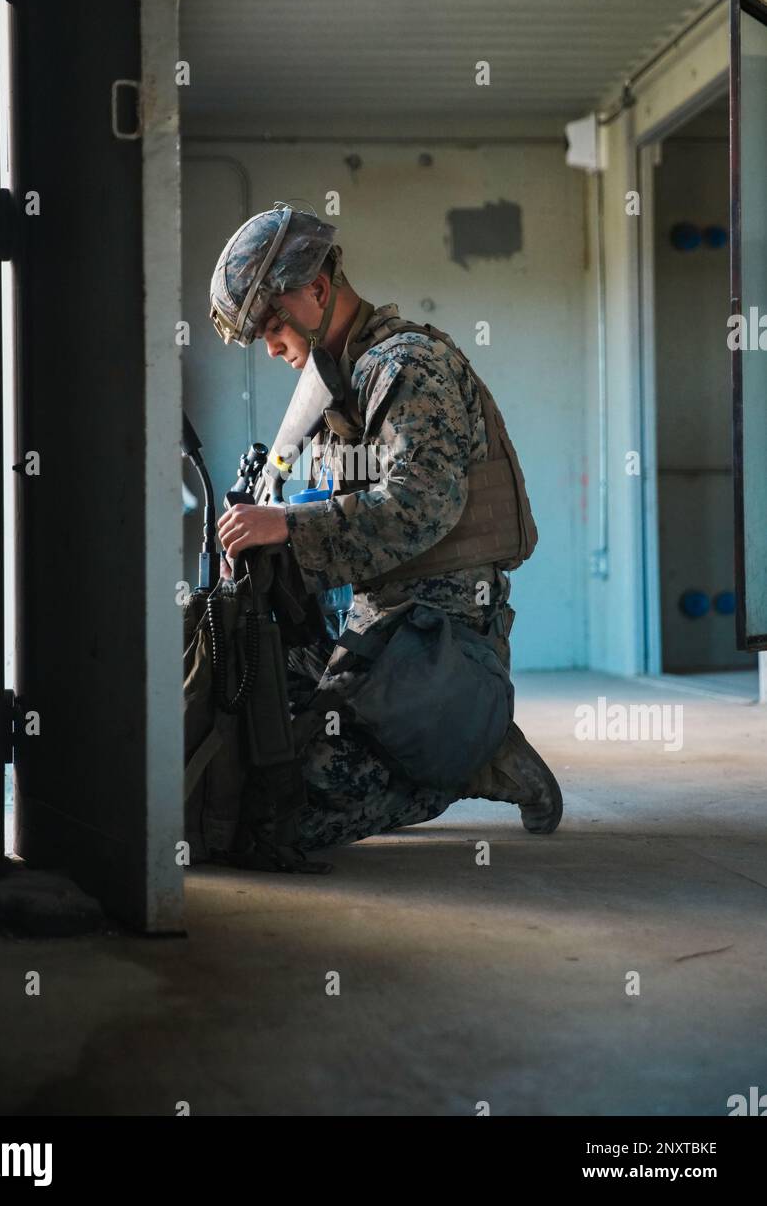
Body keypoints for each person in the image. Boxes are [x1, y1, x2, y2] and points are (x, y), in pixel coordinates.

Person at [209, 202, 562, 851]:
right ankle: (452, 738)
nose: (272, 348)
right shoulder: (340, 381)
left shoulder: (403, 367)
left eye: (273, 327)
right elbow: (339, 509)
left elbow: (421, 505)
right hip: (374, 617)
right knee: (239, 694)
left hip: (434, 630)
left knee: (263, 822)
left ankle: (467, 752)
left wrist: (285, 526)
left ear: (316, 290)